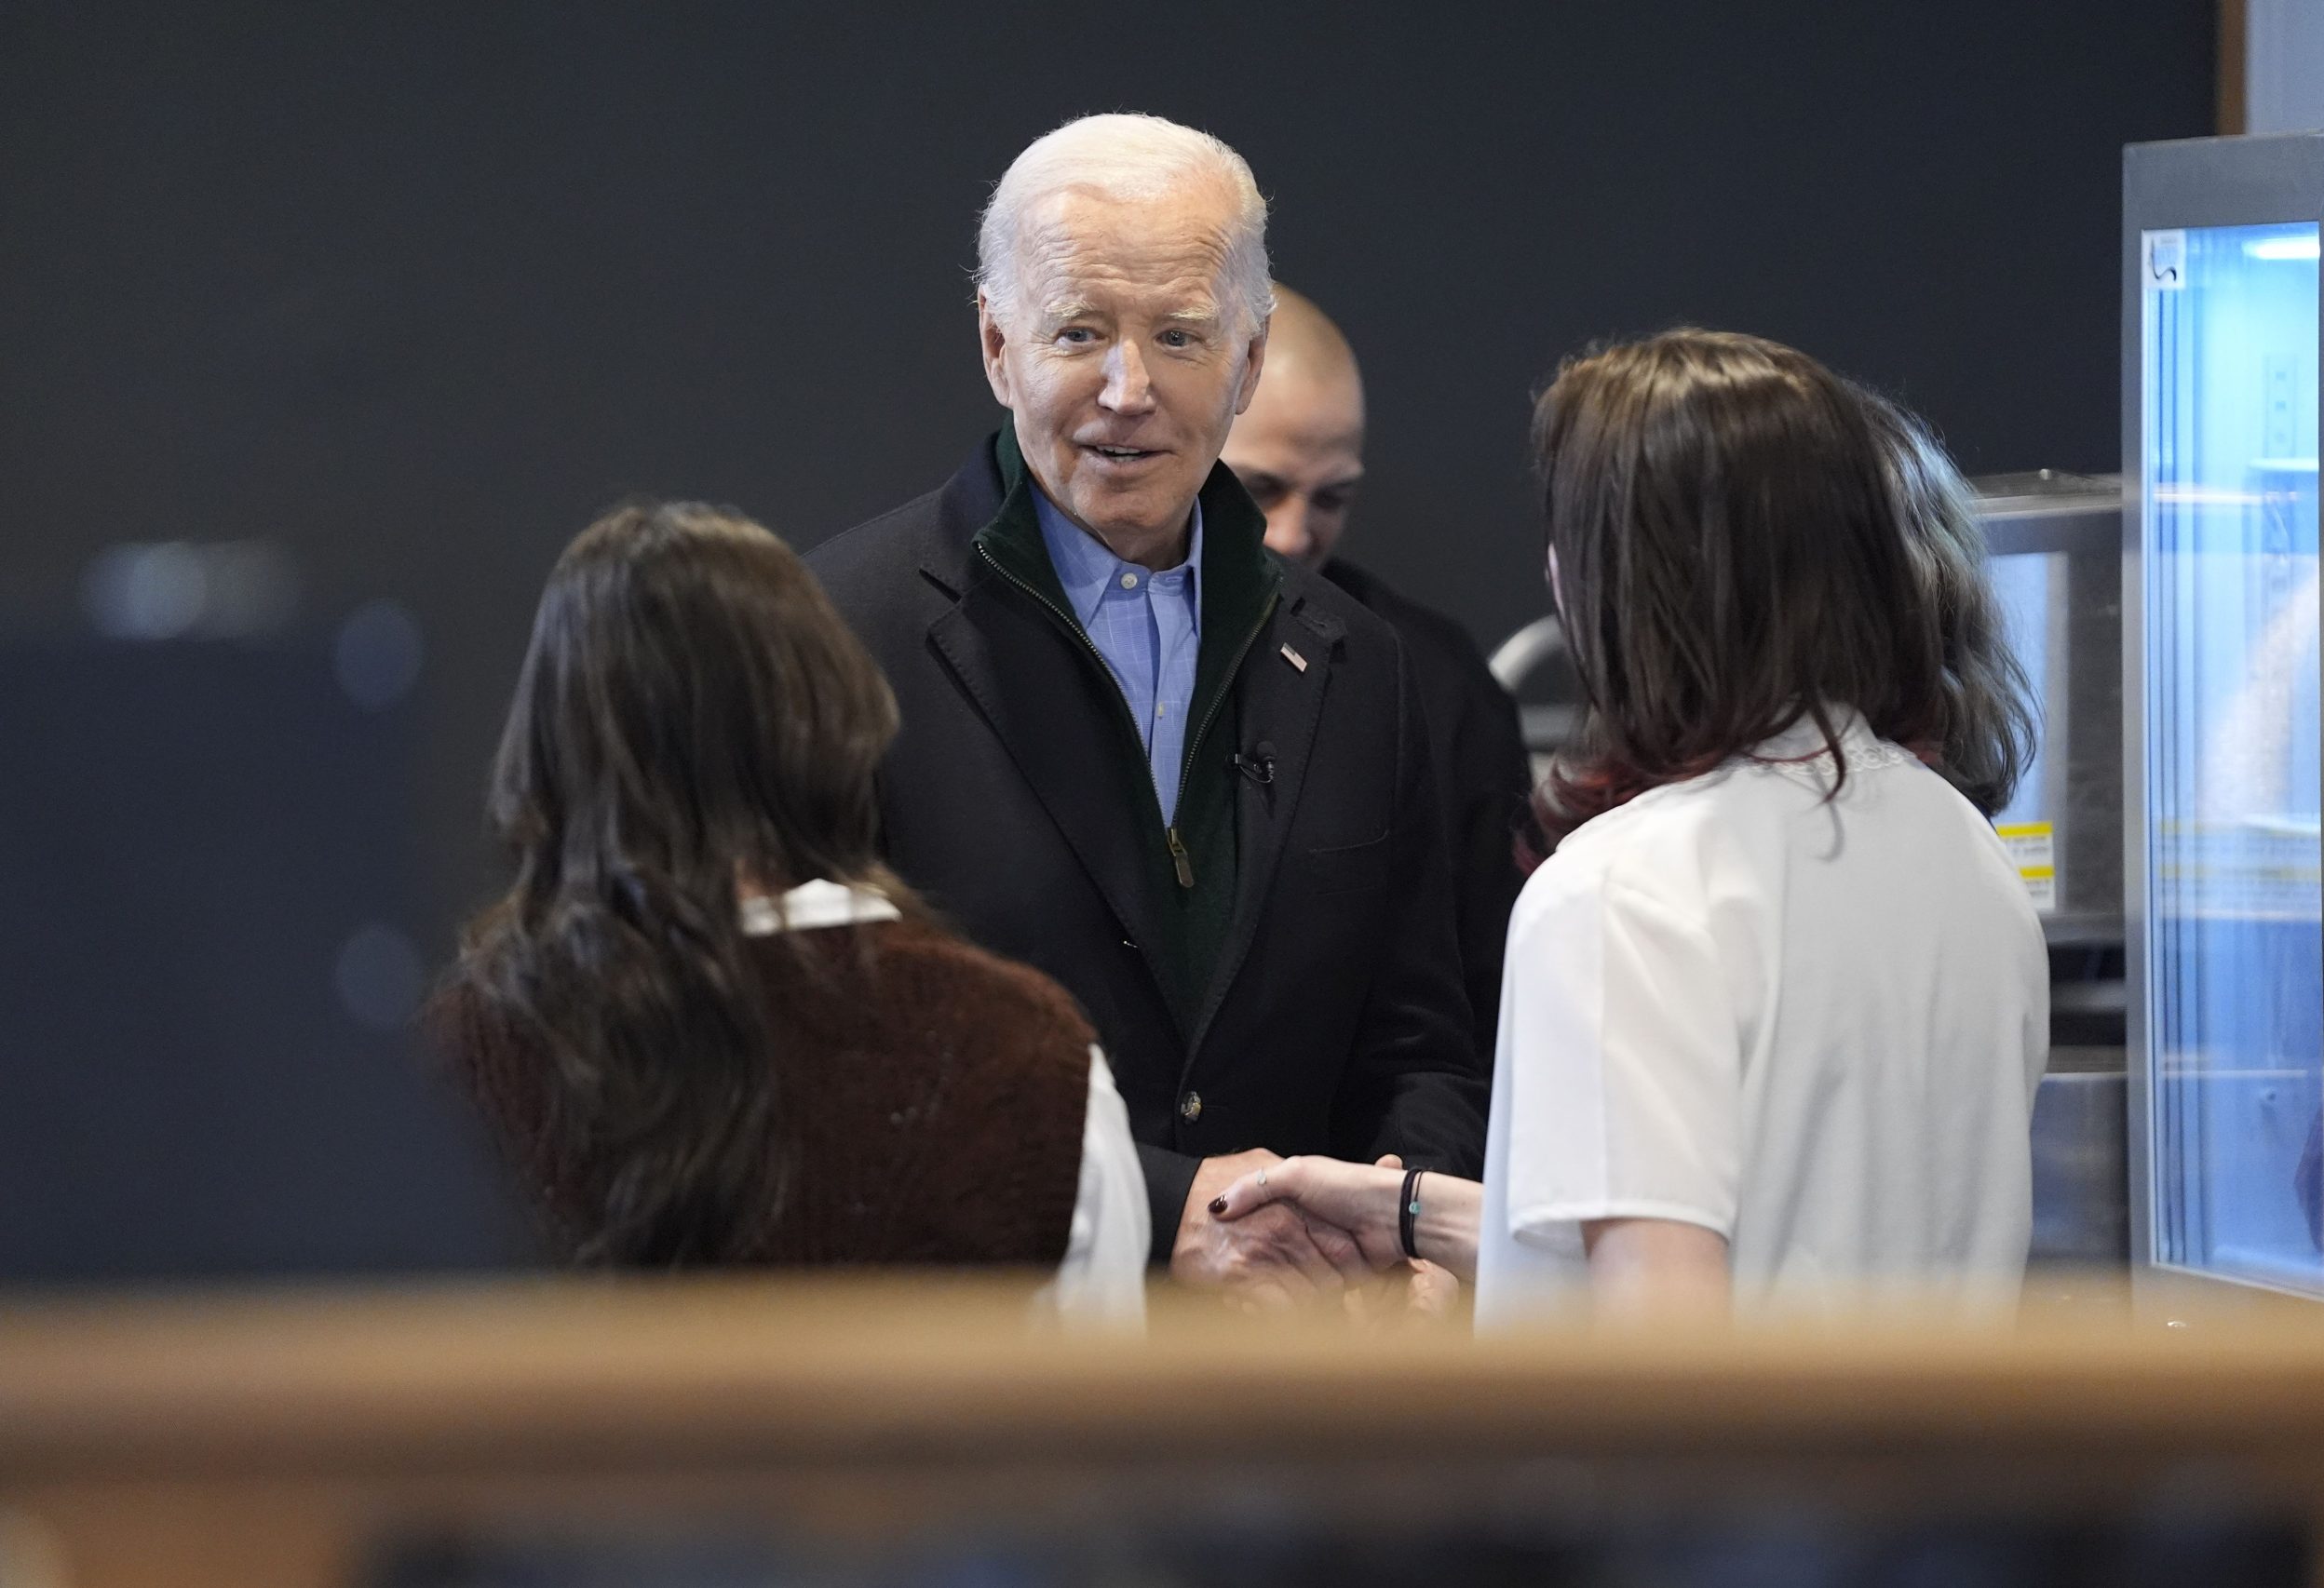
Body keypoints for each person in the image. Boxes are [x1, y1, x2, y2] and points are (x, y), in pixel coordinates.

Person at [1210, 330, 2049, 1319]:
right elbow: (1763, 1230)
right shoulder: (1965, 854)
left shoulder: (1622, 893)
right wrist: (1404, 1208)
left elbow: (1662, 1355)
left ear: (1619, 577)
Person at [805, 114, 1486, 1305]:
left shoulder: (1359, 664)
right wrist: (1170, 1211)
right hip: (988, 1389)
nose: (1130, 391)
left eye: (1179, 336)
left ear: (1249, 360)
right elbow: (834, 1065)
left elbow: (1416, 1040)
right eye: (1080, 332)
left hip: (1302, 1394)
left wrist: (1404, 1223)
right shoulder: (830, 638)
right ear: (996, 346)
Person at [427, 502, 1147, 1326]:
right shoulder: (1028, 1058)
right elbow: (1097, 1423)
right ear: (831, 712)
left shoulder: (450, 1072)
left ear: (553, 747)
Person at [1220, 283, 1531, 1057]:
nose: (1294, 535)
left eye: (1332, 498)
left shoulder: (1435, 677)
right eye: (1261, 489)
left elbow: (1485, 1000)